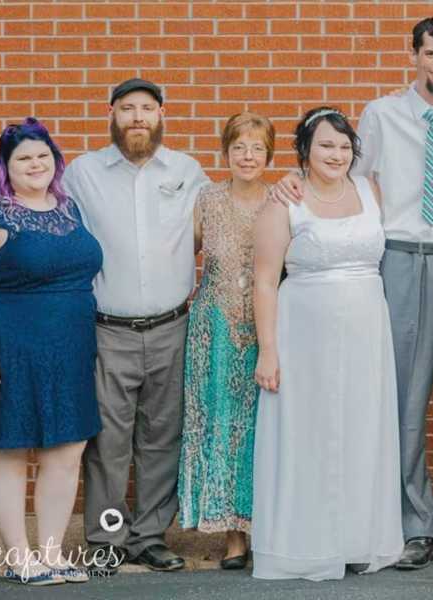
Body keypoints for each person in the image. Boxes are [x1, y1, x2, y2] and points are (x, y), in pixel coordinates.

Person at [273, 16, 433, 570]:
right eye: (431, 54)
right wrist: (291, 180)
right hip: (404, 261)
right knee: (405, 401)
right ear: (413, 55)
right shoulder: (383, 114)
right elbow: (342, 177)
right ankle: (418, 527)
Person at [0, 118, 101, 585]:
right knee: (10, 453)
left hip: (68, 349)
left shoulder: (68, 209)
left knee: (67, 451)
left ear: (55, 161)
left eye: (43, 156)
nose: (35, 164)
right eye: (23, 158)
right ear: (5, 166)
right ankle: (20, 558)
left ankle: (51, 554)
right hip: (7, 349)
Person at [251, 107, 404, 581]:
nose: (336, 154)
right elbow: (263, 282)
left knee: (362, 431)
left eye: (343, 146)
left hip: (365, 334)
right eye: (325, 145)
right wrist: (268, 349)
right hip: (304, 336)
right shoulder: (284, 200)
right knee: (310, 434)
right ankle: (309, 543)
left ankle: (358, 539)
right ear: (305, 150)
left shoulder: (369, 190)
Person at [63, 78, 209, 574]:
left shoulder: (187, 171)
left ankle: (149, 535)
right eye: (128, 109)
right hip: (108, 329)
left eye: (147, 108)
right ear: (112, 113)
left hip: (173, 325)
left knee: (162, 436)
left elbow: (227, 214)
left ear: (163, 113)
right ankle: (107, 538)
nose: (138, 117)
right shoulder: (82, 173)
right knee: (107, 441)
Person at [176, 112, 274, 570]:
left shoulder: (283, 199)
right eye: (239, 147)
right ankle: (233, 536)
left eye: (256, 148)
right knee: (221, 425)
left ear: (269, 154)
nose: (247, 156)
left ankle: (267, 527)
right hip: (212, 327)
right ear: (226, 153)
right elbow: (179, 253)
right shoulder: (207, 199)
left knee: (262, 427)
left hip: (266, 328)